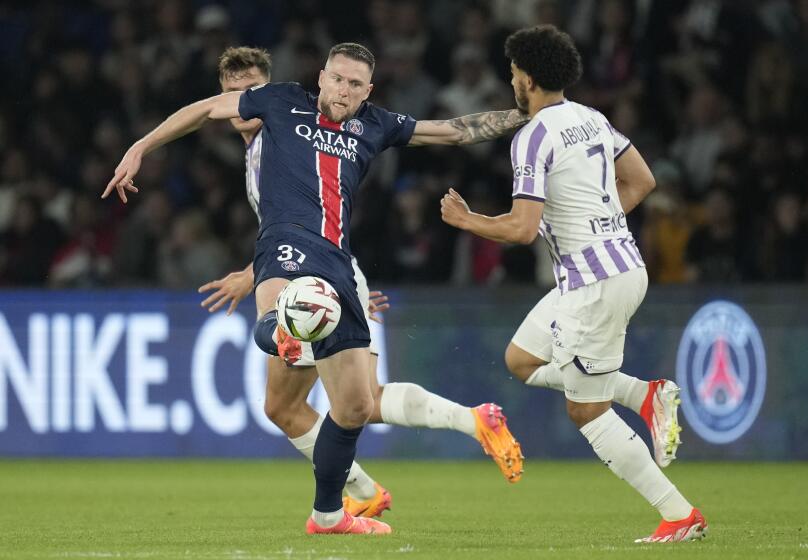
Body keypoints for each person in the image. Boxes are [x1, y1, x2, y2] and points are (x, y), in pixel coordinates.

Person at [103, 42, 528, 535]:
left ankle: (299, 347)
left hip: (335, 265)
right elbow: (208, 117)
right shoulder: (278, 112)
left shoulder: (352, 121)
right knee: (342, 400)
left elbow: (454, 131)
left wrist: (525, 113)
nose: (343, 89)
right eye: (337, 79)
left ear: (366, 90)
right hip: (300, 255)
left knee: (340, 404)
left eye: (354, 83)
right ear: (321, 77)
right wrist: (139, 148)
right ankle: (368, 483)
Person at [440, 25, 706, 543]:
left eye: (514, 73)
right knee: (521, 358)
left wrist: (468, 220)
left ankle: (679, 514)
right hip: (615, 268)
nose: (512, 81)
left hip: (595, 283)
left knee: (586, 409)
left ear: (529, 78)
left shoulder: (532, 136)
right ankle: (644, 394)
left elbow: (519, 229)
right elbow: (643, 181)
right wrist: (598, 224)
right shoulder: (593, 118)